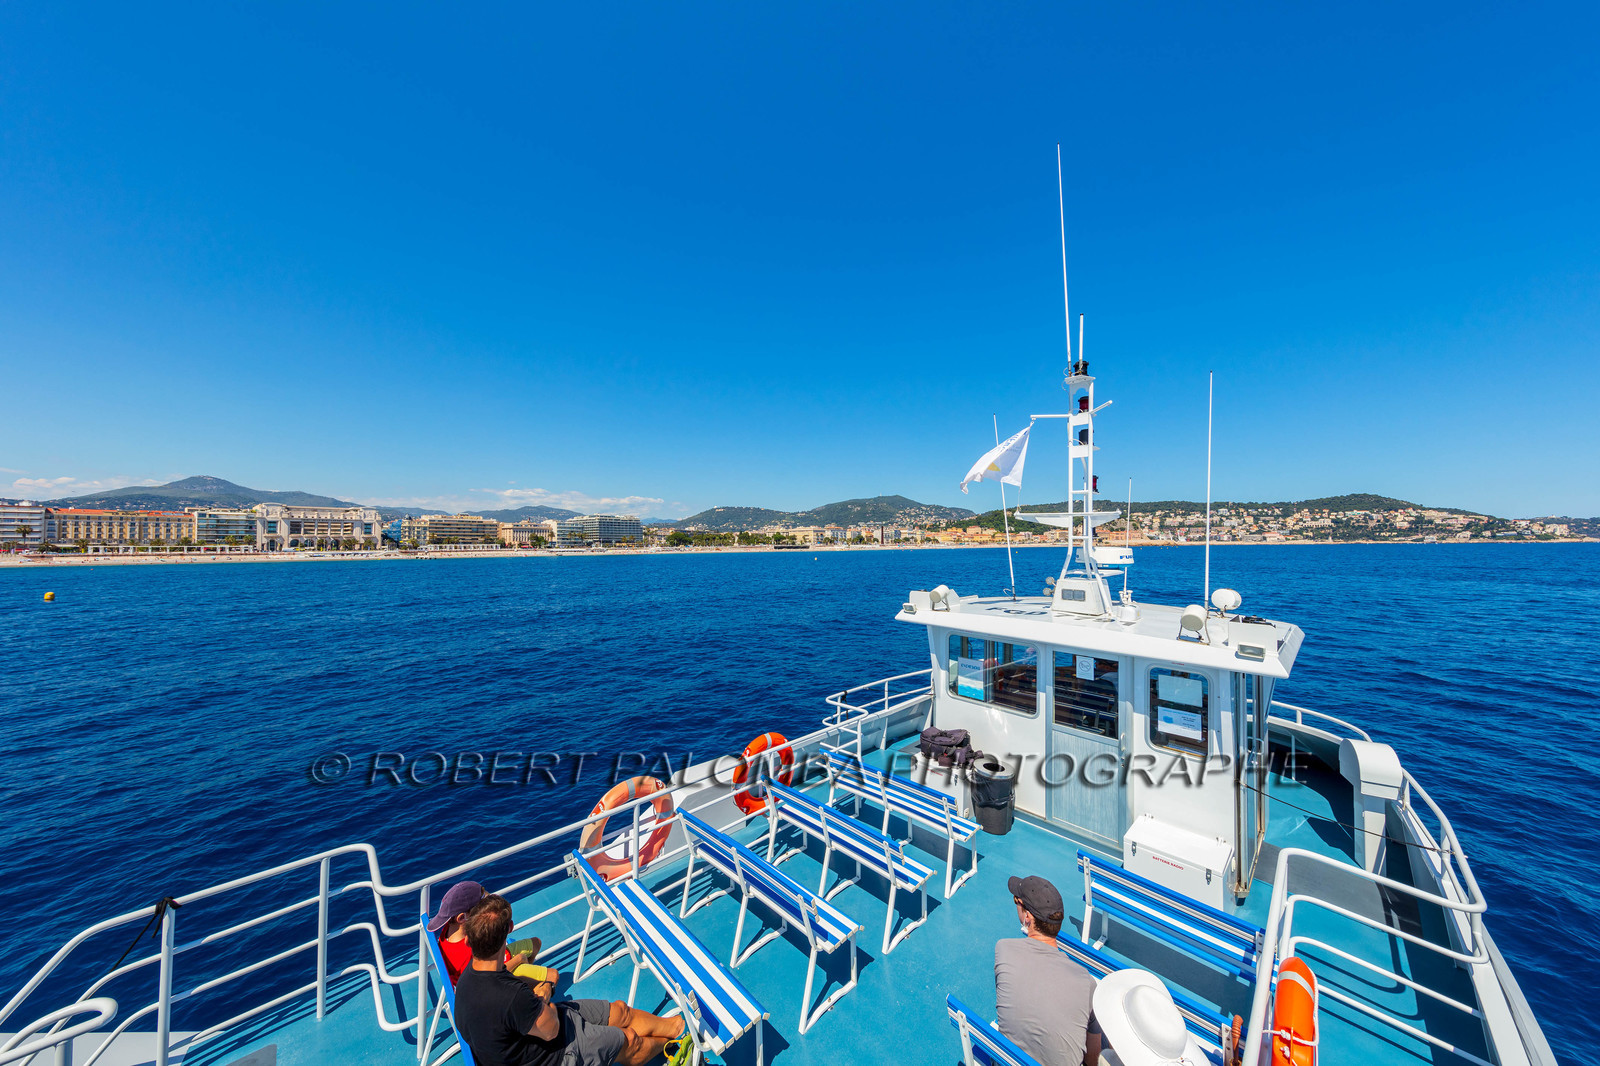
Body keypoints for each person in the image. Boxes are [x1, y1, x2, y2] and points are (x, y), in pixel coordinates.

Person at [454, 893, 688, 1066]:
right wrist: (544, 995)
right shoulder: (512, 997)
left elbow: (506, 993)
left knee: (620, 1011)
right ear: (509, 930)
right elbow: (551, 1030)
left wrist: (539, 999)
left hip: (542, 1024)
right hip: (554, 1052)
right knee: (629, 1040)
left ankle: (674, 1026)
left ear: (468, 941)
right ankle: (669, 1045)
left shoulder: (467, 979)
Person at [995, 874, 1101, 1066]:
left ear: (1027, 916)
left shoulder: (1003, 950)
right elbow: (1092, 1059)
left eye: (1017, 902)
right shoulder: (1087, 984)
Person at [426, 881, 555, 988]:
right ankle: (520, 987)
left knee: (536, 943)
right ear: (461, 918)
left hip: (500, 958)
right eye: (482, 902)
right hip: (499, 973)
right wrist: (519, 960)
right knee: (552, 976)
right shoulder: (464, 955)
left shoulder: (447, 930)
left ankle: (522, 983)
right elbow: (488, 979)